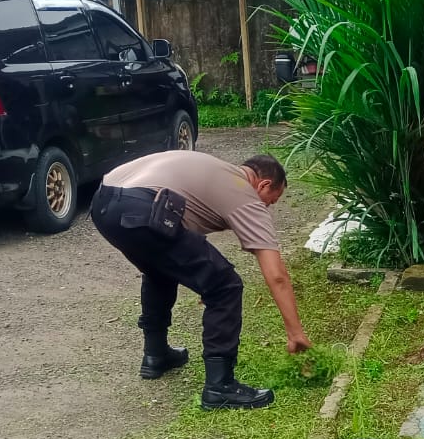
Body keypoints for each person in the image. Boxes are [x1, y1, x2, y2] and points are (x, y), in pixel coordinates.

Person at [91, 150, 312, 411]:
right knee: (225, 286)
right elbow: (276, 275)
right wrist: (296, 334)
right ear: (263, 184)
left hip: (104, 203)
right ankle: (220, 387)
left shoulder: (215, 171)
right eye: (270, 202)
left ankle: (156, 355)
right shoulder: (243, 191)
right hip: (142, 207)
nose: (266, 209)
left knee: (160, 268)